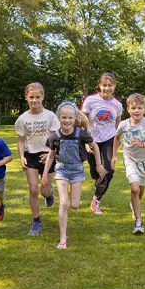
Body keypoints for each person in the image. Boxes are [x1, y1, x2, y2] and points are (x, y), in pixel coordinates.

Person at [42, 102, 103, 249]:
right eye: (64, 117)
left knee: (74, 205)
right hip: (61, 170)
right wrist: (45, 175)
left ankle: (69, 200)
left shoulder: (80, 134)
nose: (67, 121)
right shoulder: (55, 136)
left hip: (77, 171)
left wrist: (98, 164)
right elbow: (50, 157)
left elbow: (94, 146)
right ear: (59, 118)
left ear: (75, 118)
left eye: (70, 118)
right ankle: (63, 238)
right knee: (64, 204)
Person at [15, 82, 59, 236]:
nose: (34, 100)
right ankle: (36, 222)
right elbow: (20, 140)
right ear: (26, 97)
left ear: (43, 97)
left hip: (48, 154)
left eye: (37, 97)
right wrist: (21, 157)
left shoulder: (51, 116)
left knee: (44, 191)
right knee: (33, 189)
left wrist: (50, 153)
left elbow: (56, 139)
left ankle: (49, 193)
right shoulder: (22, 119)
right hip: (30, 155)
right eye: (31, 97)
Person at [111, 93, 145, 234]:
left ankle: (134, 204)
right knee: (134, 189)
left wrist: (142, 144)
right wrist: (114, 155)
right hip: (130, 159)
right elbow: (116, 138)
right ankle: (138, 222)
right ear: (128, 109)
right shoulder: (123, 124)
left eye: (140, 107)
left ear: (144, 109)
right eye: (133, 108)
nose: (136, 110)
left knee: (141, 189)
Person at [81, 72, 123, 214]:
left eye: (110, 85)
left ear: (114, 86)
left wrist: (119, 138)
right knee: (95, 172)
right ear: (99, 85)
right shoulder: (90, 101)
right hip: (92, 140)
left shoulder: (117, 104)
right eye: (104, 85)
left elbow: (117, 122)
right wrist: (85, 141)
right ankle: (98, 183)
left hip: (109, 139)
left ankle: (96, 200)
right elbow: (82, 121)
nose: (107, 88)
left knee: (108, 170)